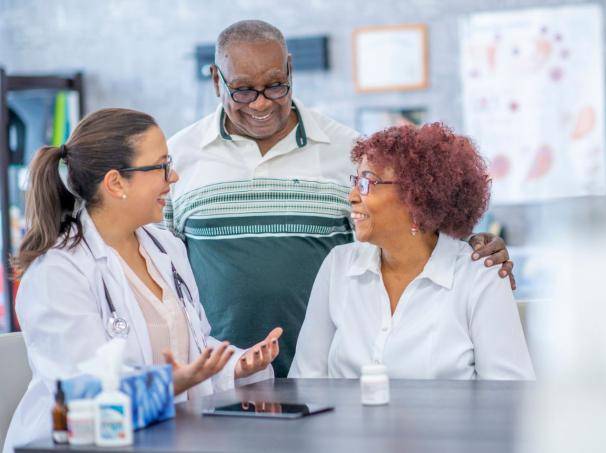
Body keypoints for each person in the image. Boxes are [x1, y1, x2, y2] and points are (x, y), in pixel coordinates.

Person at [166, 20, 516, 377]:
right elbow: (156, 265)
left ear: (290, 69)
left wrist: (471, 246)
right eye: (242, 90)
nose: (260, 103)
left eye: (274, 86)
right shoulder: (178, 158)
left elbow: (409, 230)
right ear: (215, 81)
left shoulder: (347, 150)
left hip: (321, 383)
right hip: (218, 377)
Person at [3, 109, 282, 453]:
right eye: (162, 166)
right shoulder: (58, 271)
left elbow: (191, 342)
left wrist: (233, 365)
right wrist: (165, 385)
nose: (174, 176)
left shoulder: (166, 248)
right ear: (116, 182)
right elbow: (81, 389)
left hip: (161, 436)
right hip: (75, 443)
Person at [289, 123, 535, 380]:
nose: (351, 196)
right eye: (356, 181)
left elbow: (508, 395)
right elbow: (307, 380)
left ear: (416, 197)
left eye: (367, 182)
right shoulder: (338, 266)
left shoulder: (480, 275)